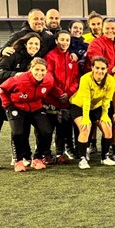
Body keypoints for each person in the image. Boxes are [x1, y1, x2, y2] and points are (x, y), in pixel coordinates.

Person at [0, 33, 44, 170]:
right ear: (25, 44)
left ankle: (17, 156)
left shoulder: (35, 60)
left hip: (15, 96)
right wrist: (16, 74)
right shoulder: (13, 54)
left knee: (18, 125)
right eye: (31, 43)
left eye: (37, 44)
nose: (34, 46)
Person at [0, 58, 58, 172]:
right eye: (36, 69)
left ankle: (37, 158)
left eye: (42, 70)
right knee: (18, 133)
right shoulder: (19, 79)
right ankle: (19, 160)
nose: (39, 73)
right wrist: (7, 106)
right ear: (31, 69)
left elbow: (51, 90)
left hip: (36, 107)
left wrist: (61, 97)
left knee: (46, 131)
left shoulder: (48, 80)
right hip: (17, 107)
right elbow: (3, 88)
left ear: (46, 71)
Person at [70, 57, 115, 168]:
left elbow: (106, 100)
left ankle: (105, 157)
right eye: (97, 68)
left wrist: (105, 115)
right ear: (92, 68)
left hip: (96, 107)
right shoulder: (85, 78)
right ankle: (82, 159)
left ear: (107, 69)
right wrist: (86, 118)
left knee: (107, 127)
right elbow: (86, 100)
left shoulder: (110, 80)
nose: (100, 71)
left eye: (103, 68)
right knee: (85, 128)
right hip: (79, 105)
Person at [45, 31, 80, 164]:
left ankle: (60, 153)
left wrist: (69, 93)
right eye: (62, 40)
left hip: (67, 100)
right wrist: (59, 94)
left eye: (67, 40)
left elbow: (76, 79)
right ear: (56, 41)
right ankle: (45, 154)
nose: (64, 42)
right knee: (48, 128)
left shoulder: (71, 58)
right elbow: (49, 78)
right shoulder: (50, 56)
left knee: (63, 128)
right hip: (52, 99)